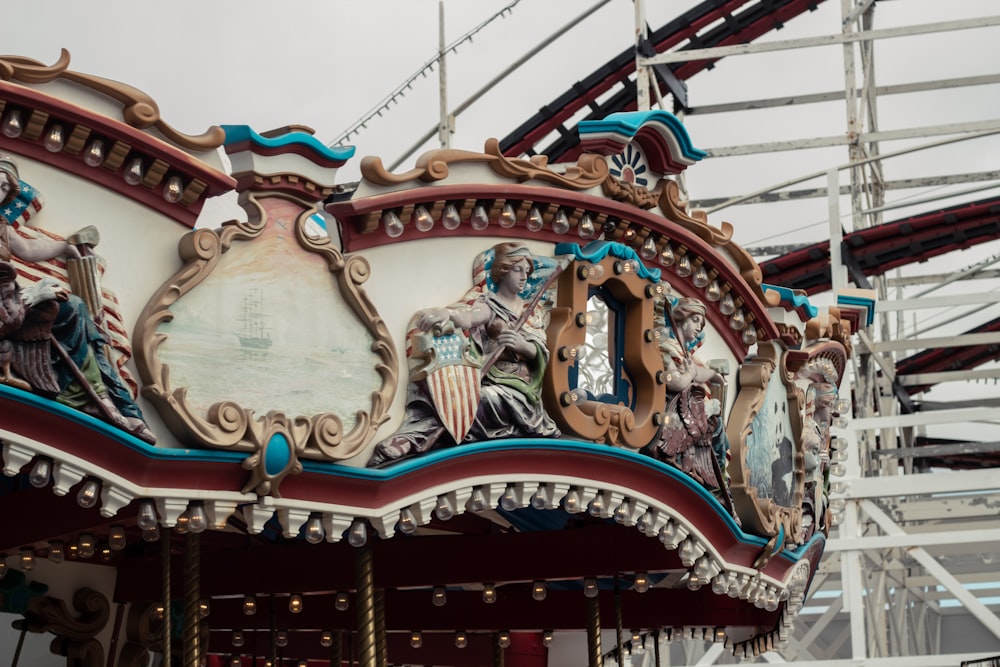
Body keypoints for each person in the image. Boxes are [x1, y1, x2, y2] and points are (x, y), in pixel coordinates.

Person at [0, 155, 155, 443]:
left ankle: (105, 399)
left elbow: (30, 250)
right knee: (55, 304)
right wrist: (34, 294)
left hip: (8, 300)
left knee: (74, 307)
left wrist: (66, 247)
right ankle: (84, 395)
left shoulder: (3, 228)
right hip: (6, 308)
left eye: (2, 188)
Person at [367, 242, 559, 467]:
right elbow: (468, 318)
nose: (524, 276)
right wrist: (445, 314)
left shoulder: (531, 311)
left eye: (527, 271)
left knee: (474, 400)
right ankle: (414, 438)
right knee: (454, 400)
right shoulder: (490, 304)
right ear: (502, 270)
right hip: (492, 377)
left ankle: (412, 440)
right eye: (518, 269)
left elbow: (540, 350)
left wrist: (521, 346)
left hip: (519, 389)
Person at [644, 297, 733, 507]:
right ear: (682, 317)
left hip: (685, 413)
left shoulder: (683, 352)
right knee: (714, 425)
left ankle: (719, 482)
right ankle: (717, 483)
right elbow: (673, 381)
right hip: (670, 413)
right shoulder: (666, 345)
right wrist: (689, 375)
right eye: (695, 320)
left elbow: (696, 371)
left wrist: (711, 374)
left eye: (700, 324)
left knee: (716, 428)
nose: (697, 327)